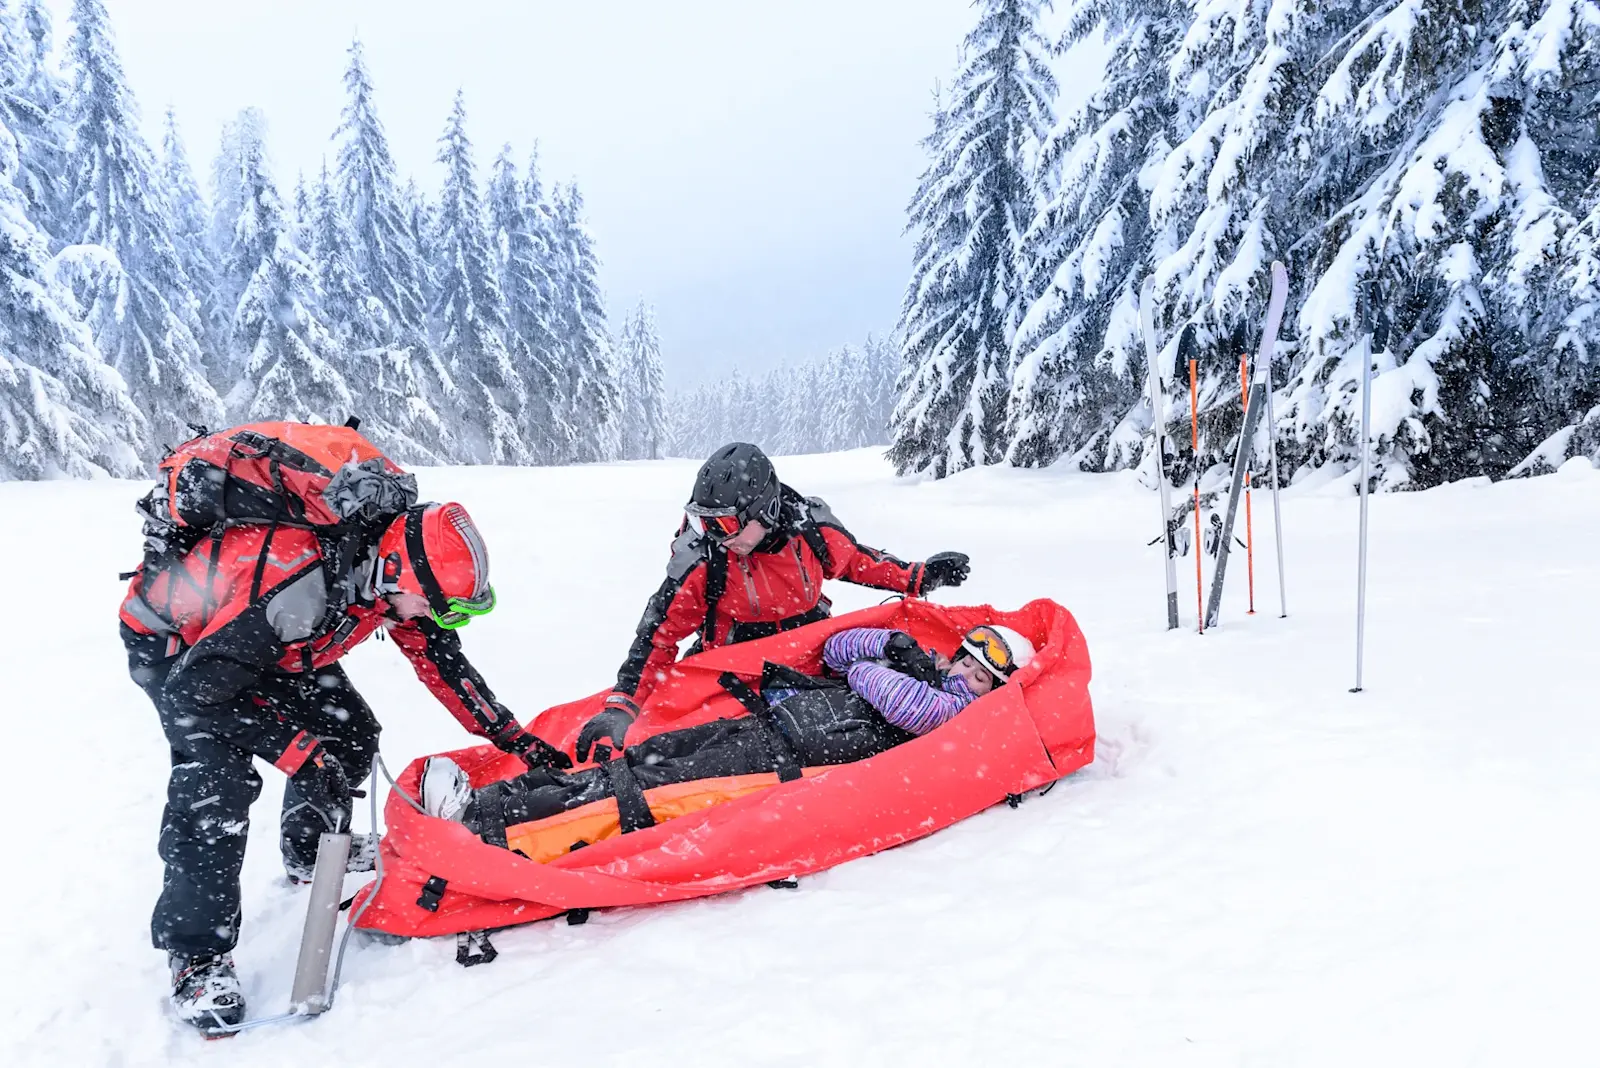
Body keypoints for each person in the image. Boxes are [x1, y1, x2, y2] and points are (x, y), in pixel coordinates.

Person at [120, 498, 567, 1033]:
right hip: (184, 652)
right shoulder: (303, 585)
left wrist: (513, 737)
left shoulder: (384, 579)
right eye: (438, 606)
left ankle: (309, 851)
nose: (436, 617)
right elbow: (198, 694)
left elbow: (443, 664)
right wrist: (302, 754)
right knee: (218, 787)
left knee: (349, 734)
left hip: (267, 642)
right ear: (399, 573)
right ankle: (196, 958)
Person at [421, 624, 1037, 841]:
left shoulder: (955, 716)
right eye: (964, 660)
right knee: (641, 759)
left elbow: (887, 695)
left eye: (981, 676)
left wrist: (882, 663)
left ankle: (482, 822)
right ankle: (495, 801)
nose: (963, 674)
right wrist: (889, 642)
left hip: (786, 759)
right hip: (772, 727)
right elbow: (841, 650)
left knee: (642, 790)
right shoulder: (927, 670)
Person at [577, 442, 972, 762]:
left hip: (812, 658)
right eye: (705, 522)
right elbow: (657, 637)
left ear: (763, 509)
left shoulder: (810, 530)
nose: (717, 535)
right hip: (735, 670)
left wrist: (920, 576)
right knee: (714, 750)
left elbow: (857, 561)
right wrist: (622, 705)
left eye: (727, 524)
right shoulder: (705, 559)